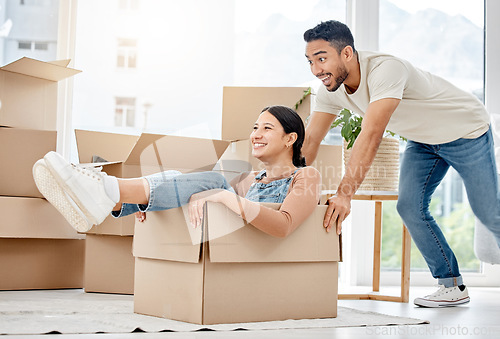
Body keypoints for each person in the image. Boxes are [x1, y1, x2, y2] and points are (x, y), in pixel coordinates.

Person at [302, 20, 500, 307]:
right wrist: (286, 183)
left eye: (322, 59)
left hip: (465, 130)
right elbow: (310, 142)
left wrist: (344, 194)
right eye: (310, 61)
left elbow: (371, 136)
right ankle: (452, 285)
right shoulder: (330, 91)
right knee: (409, 206)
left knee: (489, 212)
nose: (316, 70)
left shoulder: (385, 70)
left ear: (346, 53)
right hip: (423, 140)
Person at [33, 105, 321, 239]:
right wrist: (155, 202)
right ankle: (117, 197)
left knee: (216, 181)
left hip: (257, 251)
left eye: (267, 128)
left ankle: (108, 191)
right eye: (255, 128)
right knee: (191, 179)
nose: (256, 134)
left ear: (290, 138)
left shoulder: (306, 176)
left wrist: (221, 195)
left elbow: (284, 226)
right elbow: (225, 206)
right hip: (229, 243)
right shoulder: (250, 180)